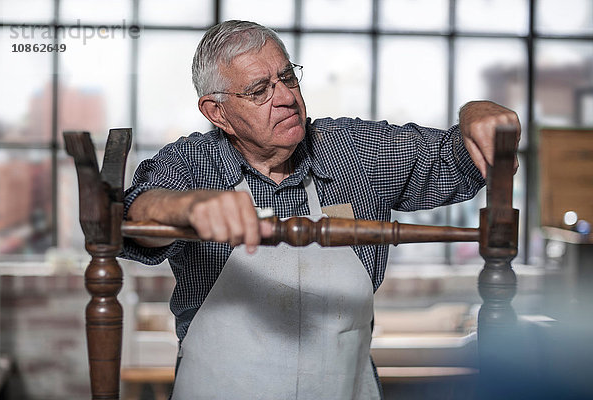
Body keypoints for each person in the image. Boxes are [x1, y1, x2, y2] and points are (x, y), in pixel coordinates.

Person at [122, 20, 520, 400]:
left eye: (287, 77)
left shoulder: (354, 153)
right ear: (217, 112)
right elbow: (132, 214)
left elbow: (454, 159)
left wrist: (476, 114)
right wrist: (184, 205)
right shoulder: (192, 164)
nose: (285, 97)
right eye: (259, 90)